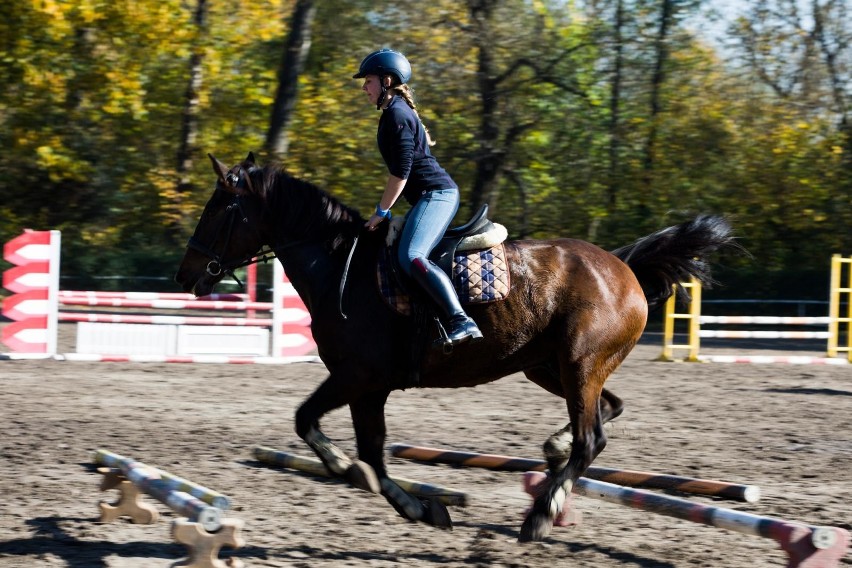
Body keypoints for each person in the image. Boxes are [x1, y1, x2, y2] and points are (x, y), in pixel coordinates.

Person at [354, 48, 483, 346]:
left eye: (369, 81)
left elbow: (400, 174)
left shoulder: (397, 114)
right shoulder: (393, 113)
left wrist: (381, 212)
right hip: (428, 196)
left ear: (387, 81)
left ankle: (461, 320)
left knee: (411, 256)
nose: (364, 87)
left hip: (437, 195)